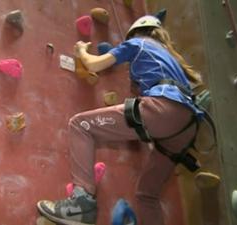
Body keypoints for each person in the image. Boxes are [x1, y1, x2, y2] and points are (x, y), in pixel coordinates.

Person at [36, 15, 204, 225]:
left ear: (135, 32)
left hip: (163, 109)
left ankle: (82, 204)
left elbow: (94, 65)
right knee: (147, 194)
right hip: (186, 127)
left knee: (80, 125)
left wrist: (81, 51)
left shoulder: (137, 43)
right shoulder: (170, 58)